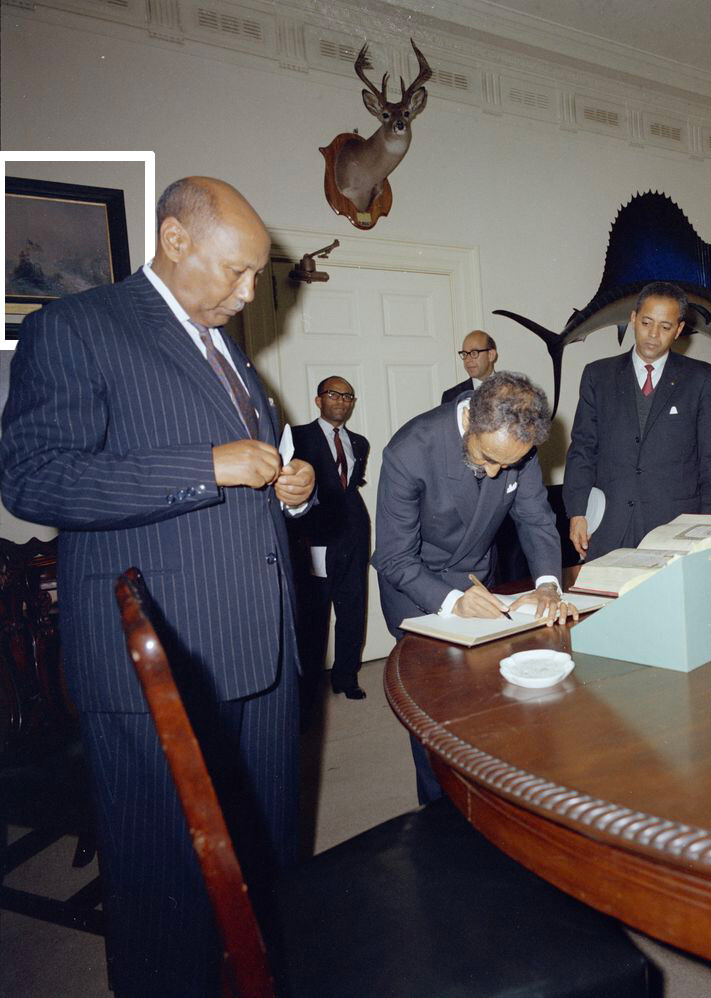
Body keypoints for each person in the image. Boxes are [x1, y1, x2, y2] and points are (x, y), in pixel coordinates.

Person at [0, 176, 316, 997]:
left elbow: (257, 470)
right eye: (238, 271)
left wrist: (295, 486)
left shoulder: (228, 349)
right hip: (158, 662)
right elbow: (32, 480)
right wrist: (204, 467)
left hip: (260, 644)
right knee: (165, 884)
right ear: (175, 241)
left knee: (264, 860)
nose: (252, 293)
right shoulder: (76, 328)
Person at [372, 371, 574, 803]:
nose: (498, 472)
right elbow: (393, 557)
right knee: (434, 717)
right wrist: (451, 601)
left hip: (478, 580)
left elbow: (536, 519)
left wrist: (548, 585)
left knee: (487, 703)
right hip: (417, 588)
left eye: (510, 465)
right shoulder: (410, 450)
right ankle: (438, 814)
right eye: (488, 458)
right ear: (471, 423)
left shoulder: (517, 439)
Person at [563, 281, 711, 561]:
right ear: (633, 319)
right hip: (607, 526)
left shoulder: (702, 378)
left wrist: (709, 528)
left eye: (665, 327)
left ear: (678, 330)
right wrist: (577, 512)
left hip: (676, 528)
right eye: (646, 322)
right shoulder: (597, 376)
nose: (653, 334)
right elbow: (582, 449)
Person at [291, 375, 370, 700]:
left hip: (354, 532)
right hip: (315, 537)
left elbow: (350, 485)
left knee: (353, 607)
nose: (342, 401)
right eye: (334, 394)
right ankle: (309, 689)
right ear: (318, 400)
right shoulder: (297, 437)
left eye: (348, 396)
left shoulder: (360, 442)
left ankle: (346, 677)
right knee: (314, 614)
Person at [441, 329, 498, 402]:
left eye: (474, 353)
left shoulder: (512, 391)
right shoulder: (451, 397)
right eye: (464, 354)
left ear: (491, 355)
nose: (467, 360)